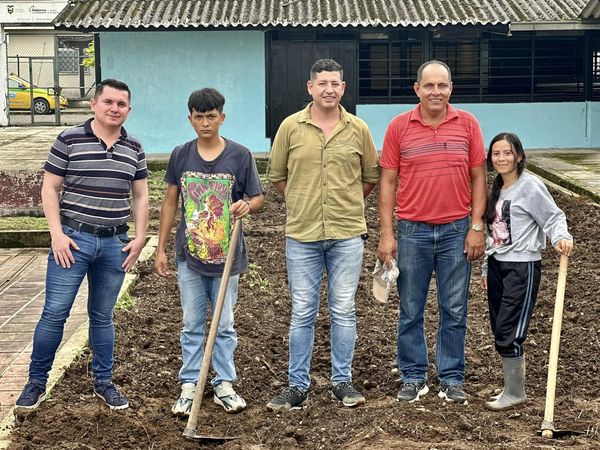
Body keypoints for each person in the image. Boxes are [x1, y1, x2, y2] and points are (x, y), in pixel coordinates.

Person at [15, 79, 149, 411]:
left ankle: (104, 383)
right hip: (73, 242)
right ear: (94, 104)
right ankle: (35, 383)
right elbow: (50, 188)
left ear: (129, 109)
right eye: (108, 102)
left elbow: (141, 194)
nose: (115, 109)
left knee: (102, 316)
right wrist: (57, 235)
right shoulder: (69, 139)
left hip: (115, 244)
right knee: (55, 313)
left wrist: (139, 238)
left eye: (121, 104)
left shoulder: (134, 147)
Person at [266, 58, 380, 411]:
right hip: (302, 234)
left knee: (343, 310)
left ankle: (342, 381)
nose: (329, 89)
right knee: (302, 311)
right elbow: (278, 176)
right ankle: (297, 385)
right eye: (322, 83)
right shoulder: (290, 127)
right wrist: (303, 201)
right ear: (310, 87)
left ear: (343, 88)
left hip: (347, 234)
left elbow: (370, 177)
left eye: (335, 83)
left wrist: (344, 202)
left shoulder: (358, 129)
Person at [377, 60, 487, 404]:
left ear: (451, 88)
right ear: (417, 89)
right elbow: (388, 182)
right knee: (411, 308)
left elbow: (479, 178)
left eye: (442, 85)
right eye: (429, 85)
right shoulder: (399, 127)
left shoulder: (468, 124)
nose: (436, 92)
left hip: (457, 230)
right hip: (413, 232)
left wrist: (476, 225)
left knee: (454, 308)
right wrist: (387, 233)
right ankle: (413, 376)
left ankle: (451, 378)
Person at [154, 88, 264, 416]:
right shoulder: (181, 155)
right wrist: (160, 248)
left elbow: (258, 197)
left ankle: (223, 383)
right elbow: (170, 202)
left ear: (222, 118)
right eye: (199, 117)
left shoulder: (240, 155)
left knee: (224, 324)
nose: (205, 123)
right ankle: (190, 384)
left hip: (227, 258)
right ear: (190, 119)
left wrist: (247, 205)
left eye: (211, 116)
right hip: (190, 256)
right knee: (191, 323)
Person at [481, 132, 573, 411]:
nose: (501, 158)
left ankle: (515, 393)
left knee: (509, 330)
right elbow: (492, 233)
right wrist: (485, 267)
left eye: (507, 153)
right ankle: (511, 387)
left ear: (519, 156)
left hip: (522, 266)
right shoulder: (497, 187)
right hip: (497, 265)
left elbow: (553, 216)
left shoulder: (530, 186)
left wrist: (560, 236)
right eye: (496, 153)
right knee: (498, 326)